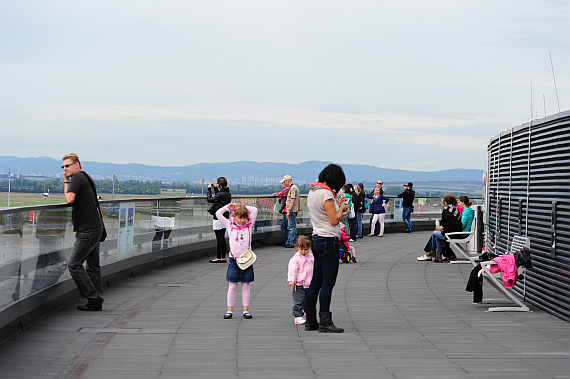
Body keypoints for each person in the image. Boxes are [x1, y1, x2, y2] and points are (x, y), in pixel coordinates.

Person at [305, 164, 348, 333]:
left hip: (316, 238)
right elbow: (334, 220)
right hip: (329, 240)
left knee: (316, 281)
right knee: (328, 283)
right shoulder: (326, 194)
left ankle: (310, 320)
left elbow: (324, 214)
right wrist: (343, 209)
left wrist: (337, 205)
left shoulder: (313, 191)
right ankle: (325, 320)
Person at [62, 153, 105, 311]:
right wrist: (68, 179)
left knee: (74, 265)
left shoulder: (78, 178)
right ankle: (97, 300)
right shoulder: (87, 177)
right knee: (93, 266)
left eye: (67, 166)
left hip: (87, 229)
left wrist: (67, 181)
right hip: (95, 226)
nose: (65, 169)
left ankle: (93, 297)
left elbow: (69, 199)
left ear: (77, 165)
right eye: (63, 166)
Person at [216, 203, 258, 319]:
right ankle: (229, 310)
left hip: (247, 260)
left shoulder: (248, 226)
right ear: (234, 216)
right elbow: (218, 213)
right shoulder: (229, 225)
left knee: (245, 285)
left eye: (245, 217)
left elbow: (254, 210)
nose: (242, 220)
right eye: (240, 217)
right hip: (234, 260)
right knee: (232, 286)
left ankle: (246, 310)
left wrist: (241, 205)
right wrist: (228, 207)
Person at [287, 235, 314, 325]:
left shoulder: (311, 257)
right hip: (299, 284)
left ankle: (307, 313)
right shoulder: (296, 259)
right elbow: (292, 271)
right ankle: (297, 315)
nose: (303, 251)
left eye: (306, 249)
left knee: (308, 300)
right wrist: (292, 281)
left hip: (309, 282)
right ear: (297, 248)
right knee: (299, 300)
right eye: (301, 249)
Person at [207, 177, 231, 263]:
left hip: (218, 218)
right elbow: (219, 197)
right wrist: (215, 189)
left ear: (220, 184)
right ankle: (223, 257)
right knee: (222, 237)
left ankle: (218, 257)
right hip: (225, 217)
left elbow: (210, 200)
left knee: (219, 238)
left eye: (217, 184)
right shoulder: (227, 193)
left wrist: (209, 189)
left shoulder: (222, 194)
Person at [282, 175, 300, 248]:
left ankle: (292, 242)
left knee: (291, 227)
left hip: (292, 210)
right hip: (293, 210)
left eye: (284, 181)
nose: (284, 183)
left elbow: (293, 199)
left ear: (287, 181)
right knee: (291, 226)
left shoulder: (292, 188)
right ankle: (289, 241)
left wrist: (289, 210)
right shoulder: (294, 187)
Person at [272, 181, 290, 246]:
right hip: (286, 210)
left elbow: (281, 194)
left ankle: (285, 240)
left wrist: (274, 194)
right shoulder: (288, 189)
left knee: (285, 225)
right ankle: (285, 240)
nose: (282, 184)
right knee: (284, 225)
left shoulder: (287, 189)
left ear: (285, 182)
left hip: (286, 210)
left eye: (282, 182)